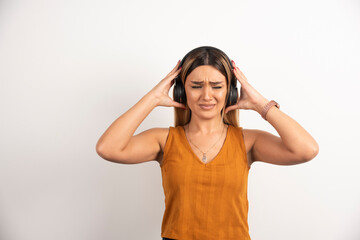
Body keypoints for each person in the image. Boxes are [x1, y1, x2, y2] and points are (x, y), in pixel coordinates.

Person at [95, 46, 319, 240]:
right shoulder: (163, 140)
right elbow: (108, 148)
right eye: (195, 86)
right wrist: (153, 97)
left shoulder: (248, 141)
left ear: (230, 92)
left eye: (216, 86)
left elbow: (306, 150)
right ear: (182, 91)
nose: (206, 95)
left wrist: (260, 103)